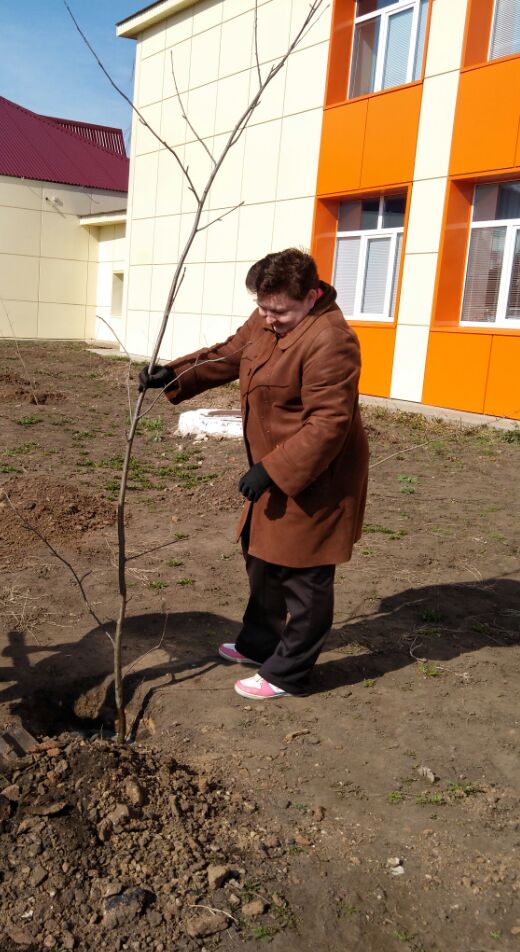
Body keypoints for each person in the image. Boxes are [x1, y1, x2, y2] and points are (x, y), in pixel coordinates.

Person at [139, 248, 369, 701]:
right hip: (274, 463)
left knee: (304, 574)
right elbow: (230, 354)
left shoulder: (331, 340)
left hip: (317, 473)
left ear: (311, 296)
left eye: (279, 311)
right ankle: (260, 642)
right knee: (261, 556)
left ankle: (289, 673)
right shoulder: (268, 318)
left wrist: (272, 470)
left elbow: (329, 423)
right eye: (263, 308)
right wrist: (175, 374)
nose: (268, 318)